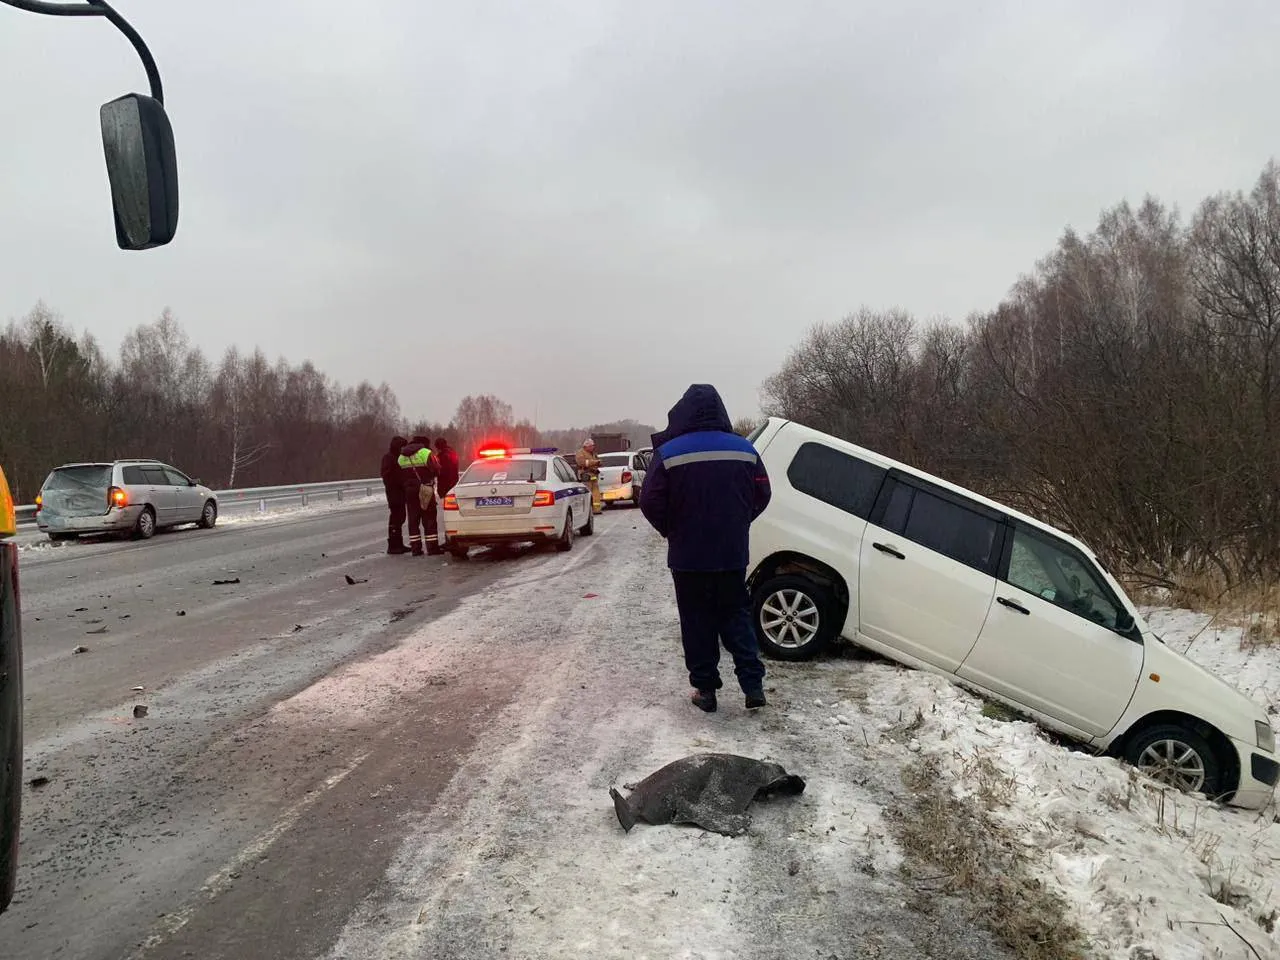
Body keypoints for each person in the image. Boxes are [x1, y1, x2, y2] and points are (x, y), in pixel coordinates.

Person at [640, 384, 772, 713]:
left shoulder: (669, 453)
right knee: (736, 615)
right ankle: (752, 685)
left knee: (696, 620)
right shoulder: (744, 449)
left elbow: (649, 500)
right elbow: (763, 494)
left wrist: (672, 529)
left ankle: (706, 690)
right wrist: (740, 522)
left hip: (689, 556)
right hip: (731, 552)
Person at [398, 435, 442, 556]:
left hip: (409, 490)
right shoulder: (425, 453)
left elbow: (399, 473)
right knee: (429, 518)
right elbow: (437, 469)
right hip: (425, 488)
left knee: (413, 519)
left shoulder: (402, 456)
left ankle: (416, 549)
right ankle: (432, 548)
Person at [380, 435, 409, 555]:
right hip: (394, 492)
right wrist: (399, 481)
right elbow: (387, 476)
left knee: (400, 517)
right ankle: (393, 545)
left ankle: (398, 543)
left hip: (400, 492)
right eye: (402, 447)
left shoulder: (397, 457)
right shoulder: (389, 458)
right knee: (396, 518)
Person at [434, 437, 460, 549]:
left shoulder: (442, 456)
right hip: (453, 485)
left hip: (446, 487)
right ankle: (452, 539)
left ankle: (450, 540)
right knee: (452, 514)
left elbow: (441, 472)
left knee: (448, 514)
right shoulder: (452, 453)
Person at [575, 437, 603, 515]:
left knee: (596, 494)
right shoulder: (580, 453)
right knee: (587, 494)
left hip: (594, 476)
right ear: (586, 446)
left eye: (593, 446)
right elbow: (582, 462)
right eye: (590, 446)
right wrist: (594, 462)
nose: (592, 447)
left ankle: (596, 509)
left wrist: (599, 462)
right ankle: (587, 511)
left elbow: (599, 461)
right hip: (586, 476)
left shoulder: (593, 453)